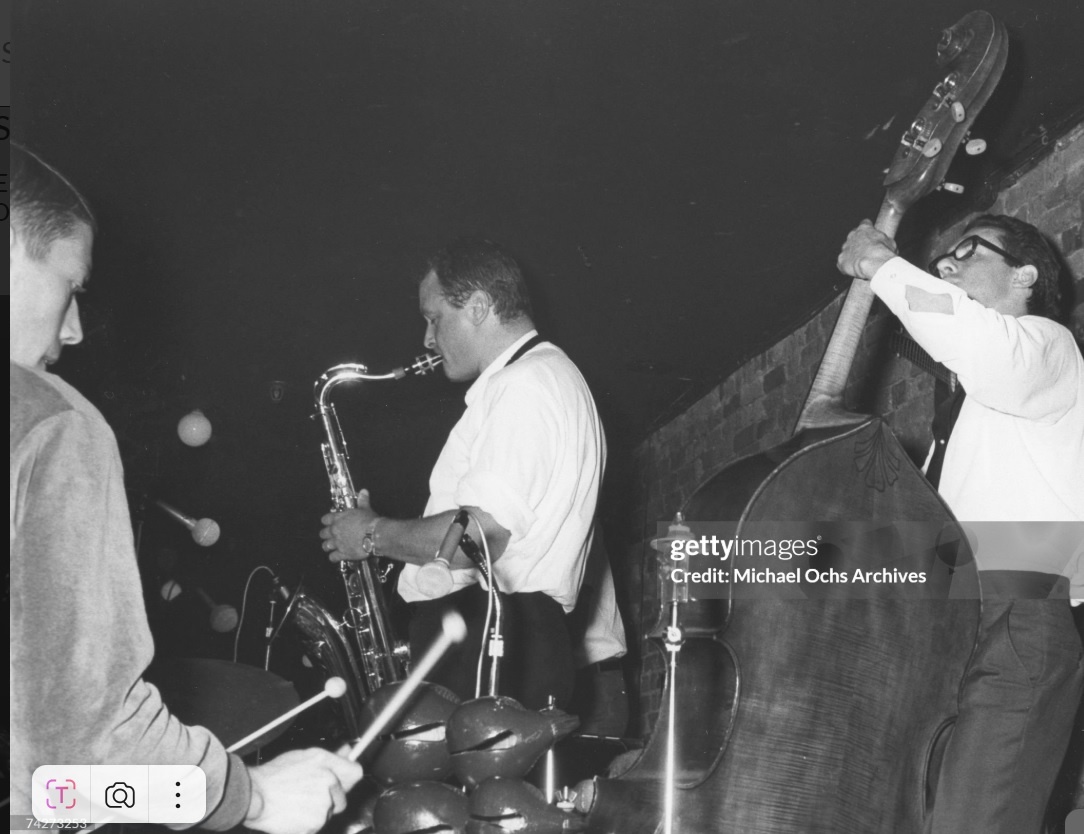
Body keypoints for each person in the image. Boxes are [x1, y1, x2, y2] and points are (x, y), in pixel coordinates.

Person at [9, 142, 364, 833]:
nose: (74, 330)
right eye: (72, 286)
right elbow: (73, 775)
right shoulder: (52, 423)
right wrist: (251, 797)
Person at [837, 215, 1084, 833]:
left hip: (1020, 604)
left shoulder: (1047, 343)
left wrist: (880, 265)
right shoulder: (979, 413)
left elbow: (978, 342)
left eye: (967, 252)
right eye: (943, 256)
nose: (946, 264)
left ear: (1025, 275)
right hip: (961, 619)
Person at [320, 237, 619, 711]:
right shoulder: (544, 377)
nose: (426, 339)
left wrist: (372, 534)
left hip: (496, 638)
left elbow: (479, 536)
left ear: (478, 306)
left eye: (433, 318)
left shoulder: (522, 384)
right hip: (512, 635)